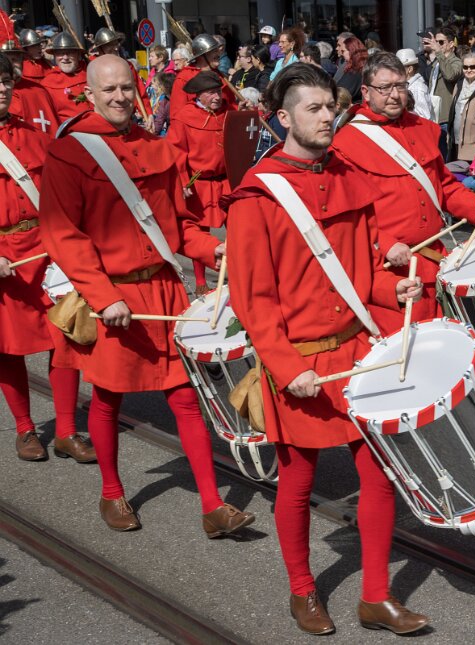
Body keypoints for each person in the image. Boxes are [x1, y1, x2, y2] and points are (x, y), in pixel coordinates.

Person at [223, 62, 428, 637]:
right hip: (303, 360)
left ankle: (376, 597)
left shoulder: (347, 177)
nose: (326, 117)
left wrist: (393, 287)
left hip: (356, 350)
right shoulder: (257, 196)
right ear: (283, 118)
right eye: (312, 109)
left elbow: (361, 271)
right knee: (297, 481)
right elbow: (253, 299)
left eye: (328, 107)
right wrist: (287, 370)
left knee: (380, 472)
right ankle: (302, 589)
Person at [39, 55, 255, 534]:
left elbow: (179, 226)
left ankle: (212, 506)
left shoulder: (156, 147)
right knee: (109, 397)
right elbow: (63, 234)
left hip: (163, 291)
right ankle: (111, 494)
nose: (118, 97)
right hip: (114, 296)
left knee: (184, 395)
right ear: (90, 94)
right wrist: (101, 296)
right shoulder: (69, 153)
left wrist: (212, 250)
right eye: (108, 89)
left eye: (124, 88)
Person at [330, 52, 475, 332]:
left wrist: (473, 205)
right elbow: (346, 220)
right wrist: (384, 244)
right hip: (393, 272)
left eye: (400, 86)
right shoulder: (346, 143)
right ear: (366, 92)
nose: (395, 95)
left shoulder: (422, 128)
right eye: (385, 88)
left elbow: (443, 185)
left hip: (438, 260)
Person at [0, 53, 89, 464]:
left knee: (64, 336)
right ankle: (24, 428)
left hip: (46, 249)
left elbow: (60, 192)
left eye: (5, 80)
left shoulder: (35, 135)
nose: (2, 88)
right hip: (4, 260)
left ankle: (67, 430)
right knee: (8, 348)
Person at [166, 71, 233, 293]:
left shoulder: (228, 113)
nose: (217, 97)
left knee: (237, 227)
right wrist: (183, 181)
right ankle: (201, 282)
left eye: (219, 92)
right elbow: (177, 151)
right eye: (212, 93)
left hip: (226, 180)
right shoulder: (184, 116)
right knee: (199, 231)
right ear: (199, 95)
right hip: (198, 180)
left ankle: (238, 274)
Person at [1, 40, 60, 138]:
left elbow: (53, 129)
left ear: (22, 61)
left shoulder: (39, 91)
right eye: (7, 61)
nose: (11, 65)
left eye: (15, 60)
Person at [170, 34, 237, 120]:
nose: (218, 54)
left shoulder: (220, 76)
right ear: (202, 56)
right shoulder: (184, 78)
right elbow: (177, 115)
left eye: (218, 50)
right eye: (214, 51)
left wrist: (240, 109)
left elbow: (230, 104)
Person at [40, 32, 90, 122]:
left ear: (78, 55)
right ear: (55, 56)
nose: (65, 57)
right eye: (60, 53)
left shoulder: (91, 74)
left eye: (70, 53)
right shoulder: (47, 84)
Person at [428, 28, 462, 156]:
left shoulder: (456, 61)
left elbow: (450, 75)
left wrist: (439, 53)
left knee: (445, 157)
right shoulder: (438, 61)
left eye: (441, 42)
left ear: (451, 44)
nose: (437, 45)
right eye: (435, 42)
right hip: (434, 116)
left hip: (445, 117)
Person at [396, 48, 434, 120]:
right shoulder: (409, 86)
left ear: (409, 69)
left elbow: (424, 117)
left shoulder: (417, 88)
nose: (395, 71)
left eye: (399, 68)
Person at [336, 36, 366, 102]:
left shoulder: (355, 71)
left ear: (351, 51)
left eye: (343, 51)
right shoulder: (359, 67)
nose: (342, 54)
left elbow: (341, 94)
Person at [150, 71, 173, 136]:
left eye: (161, 85)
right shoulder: (165, 101)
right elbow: (159, 120)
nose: (160, 87)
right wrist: (152, 133)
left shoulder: (176, 98)